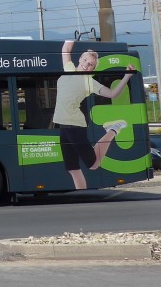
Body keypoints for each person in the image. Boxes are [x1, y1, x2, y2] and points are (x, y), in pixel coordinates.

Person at [52, 39, 134, 189]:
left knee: (94, 164)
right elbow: (66, 47)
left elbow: (113, 93)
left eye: (90, 64)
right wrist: (77, 35)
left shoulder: (89, 82)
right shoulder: (69, 68)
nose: (86, 64)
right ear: (80, 59)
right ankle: (81, 198)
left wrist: (127, 76)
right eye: (85, 60)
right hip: (63, 126)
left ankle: (113, 130)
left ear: (93, 68)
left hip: (75, 125)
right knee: (72, 168)